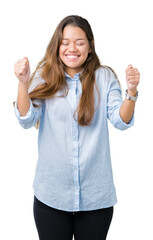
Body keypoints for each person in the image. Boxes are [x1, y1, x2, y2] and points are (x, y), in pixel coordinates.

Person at [14, 15, 140, 240]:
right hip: (51, 195)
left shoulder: (105, 77)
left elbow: (120, 121)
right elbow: (26, 119)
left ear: (90, 47)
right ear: (57, 46)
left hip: (96, 197)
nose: (72, 48)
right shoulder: (44, 76)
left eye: (79, 42)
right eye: (65, 42)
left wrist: (131, 91)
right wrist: (23, 83)